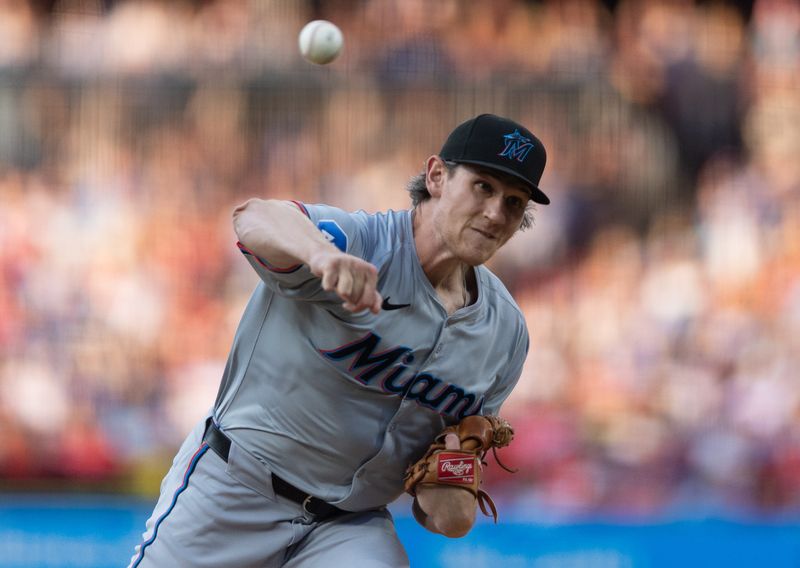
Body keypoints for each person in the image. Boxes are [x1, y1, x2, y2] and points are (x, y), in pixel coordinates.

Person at [129, 113, 550, 567]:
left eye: (513, 201)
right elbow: (255, 216)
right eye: (483, 186)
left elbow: (444, 506)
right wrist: (321, 254)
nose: (494, 213)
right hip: (235, 492)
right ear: (437, 176)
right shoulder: (360, 241)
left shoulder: (504, 333)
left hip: (348, 528)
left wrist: (449, 494)